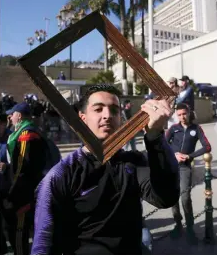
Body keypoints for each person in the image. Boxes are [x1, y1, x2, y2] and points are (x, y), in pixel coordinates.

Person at [31, 84, 180, 254]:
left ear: (121, 119)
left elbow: (165, 198)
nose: (107, 116)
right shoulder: (62, 174)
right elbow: (43, 244)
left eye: (114, 110)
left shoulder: (133, 162)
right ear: (83, 118)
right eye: (98, 109)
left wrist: (155, 136)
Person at [2, 102, 47, 255]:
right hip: (27, 189)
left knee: (20, 233)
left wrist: (13, 193)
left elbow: (22, 168)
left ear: (19, 116)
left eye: (12, 114)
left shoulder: (25, 134)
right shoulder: (25, 131)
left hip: (23, 194)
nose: (10, 117)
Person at [166, 103, 211, 244]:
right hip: (171, 166)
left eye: (184, 114)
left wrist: (189, 156)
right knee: (172, 197)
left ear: (189, 113)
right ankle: (178, 224)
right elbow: (164, 144)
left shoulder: (196, 129)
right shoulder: (173, 128)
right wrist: (174, 154)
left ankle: (190, 227)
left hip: (185, 167)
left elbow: (207, 146)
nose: (182, 117)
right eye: (179, 115)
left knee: (185, 197)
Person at [0, 114, 12, 255]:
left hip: (8, 191)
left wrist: (7, 166)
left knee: (10, 226)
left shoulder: (12, 138)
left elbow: (23, 164)